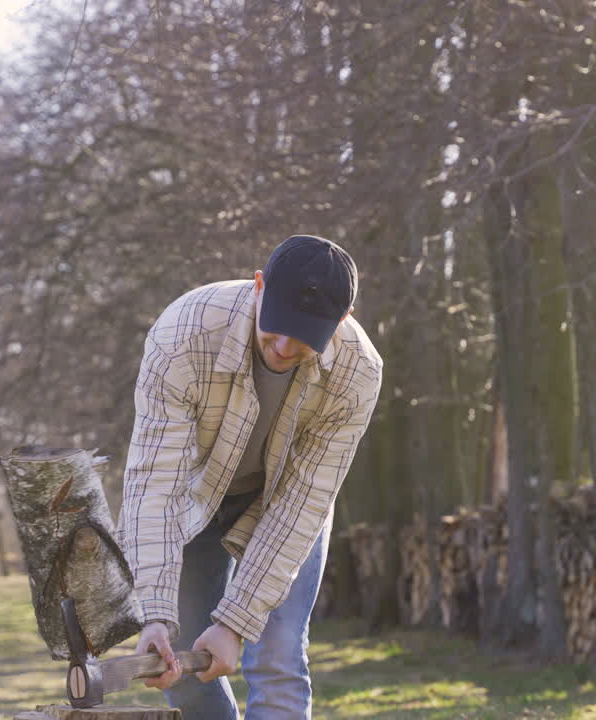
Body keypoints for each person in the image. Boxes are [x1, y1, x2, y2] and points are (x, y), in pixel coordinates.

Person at [118, 235, 382, 719]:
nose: (284, 347)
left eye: (305, 336)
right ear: (258, 286)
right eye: (277, 326)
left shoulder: (357, 373)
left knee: (278, 660)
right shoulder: (183, 334)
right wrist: (154, 611)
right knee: (184, 671)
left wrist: (236, 623)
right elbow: (154, 483)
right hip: (194, 502)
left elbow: (303, 502)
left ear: (341, 320)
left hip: (285, 508)